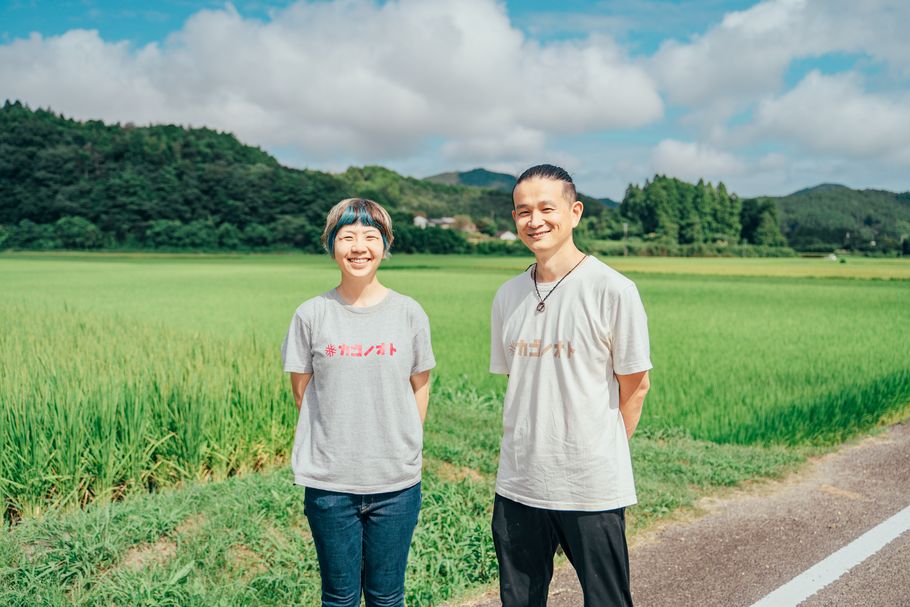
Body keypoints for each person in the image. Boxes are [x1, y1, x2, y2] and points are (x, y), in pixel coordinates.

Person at [489, 165, 652, 606]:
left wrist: (599, 448)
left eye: (547, 208)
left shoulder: (612, 289)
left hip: (590, 484)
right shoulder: (508, 296)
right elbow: (521, 384)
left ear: (575, 212)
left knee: (606, 600)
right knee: (519, 600)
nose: (535, 220)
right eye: (524, 211)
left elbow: (635, 385)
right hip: (519, 482)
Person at [281, 198, 435, 607]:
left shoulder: (409, 313)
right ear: (331, 245)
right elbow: (303, 392)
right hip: (330, 484)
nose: (359, 246)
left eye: (371, 236)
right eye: (346, 236)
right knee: (339, 597)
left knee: (387, 596)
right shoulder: (311, 314)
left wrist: (404, 443)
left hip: (396, 484)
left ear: (385, 245)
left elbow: (420, 384)